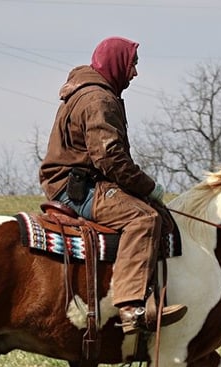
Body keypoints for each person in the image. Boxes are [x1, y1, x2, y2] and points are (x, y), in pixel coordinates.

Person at [39, 36, 186, 335]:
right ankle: (132, 307)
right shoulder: (98, 100)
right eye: (132, 64)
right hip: (78, 188)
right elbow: (110, 159)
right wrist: (147, 187)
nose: (135, 73)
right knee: (144, 218)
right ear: (117, 63)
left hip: (78, 182)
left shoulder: (92, 93)